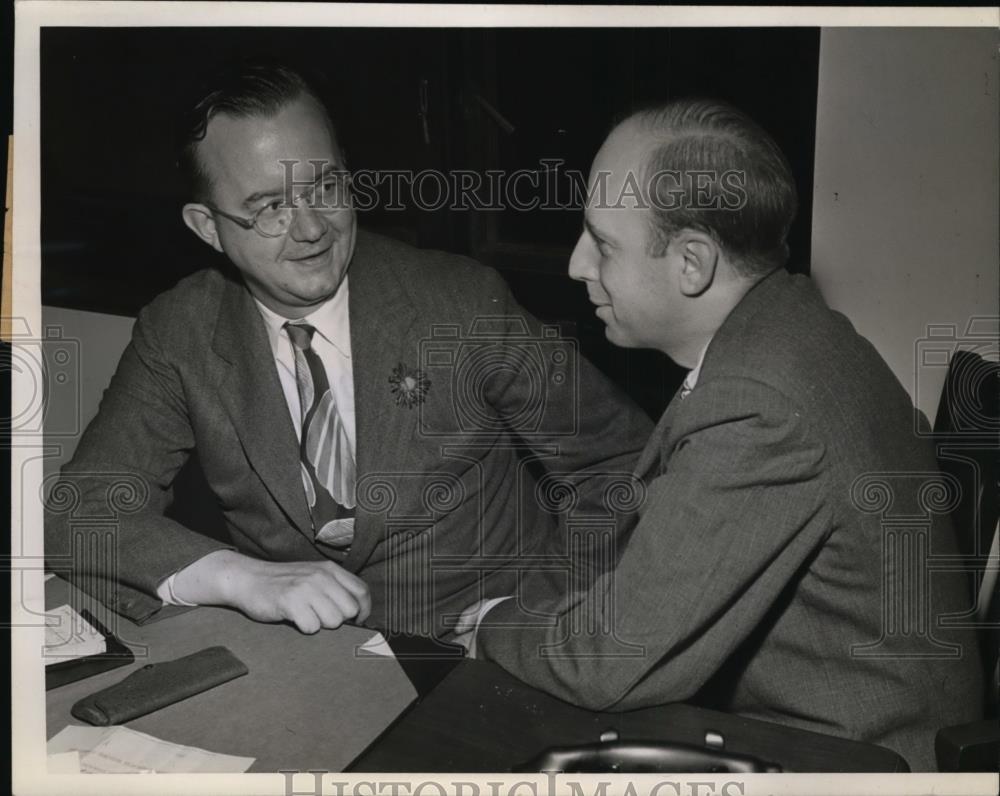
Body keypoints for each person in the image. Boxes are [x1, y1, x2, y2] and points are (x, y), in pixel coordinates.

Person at [44, 61, 652, 638]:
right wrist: (240, 579)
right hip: (301, 664)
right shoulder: (179, 330)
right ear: (208, 227)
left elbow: (622, 467)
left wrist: (533, 615)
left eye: (325, 186)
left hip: (478, 649)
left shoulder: (458, 301)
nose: (312, 229)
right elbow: (78, 513)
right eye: (270, 208)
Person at [460, 99, 983, 770]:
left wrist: (491, 625)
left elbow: (607, 665)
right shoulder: (794, 327)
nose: (575, 264)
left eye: (603, 243)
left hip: (847, 761)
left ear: (691, 263)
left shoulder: (757, 406)